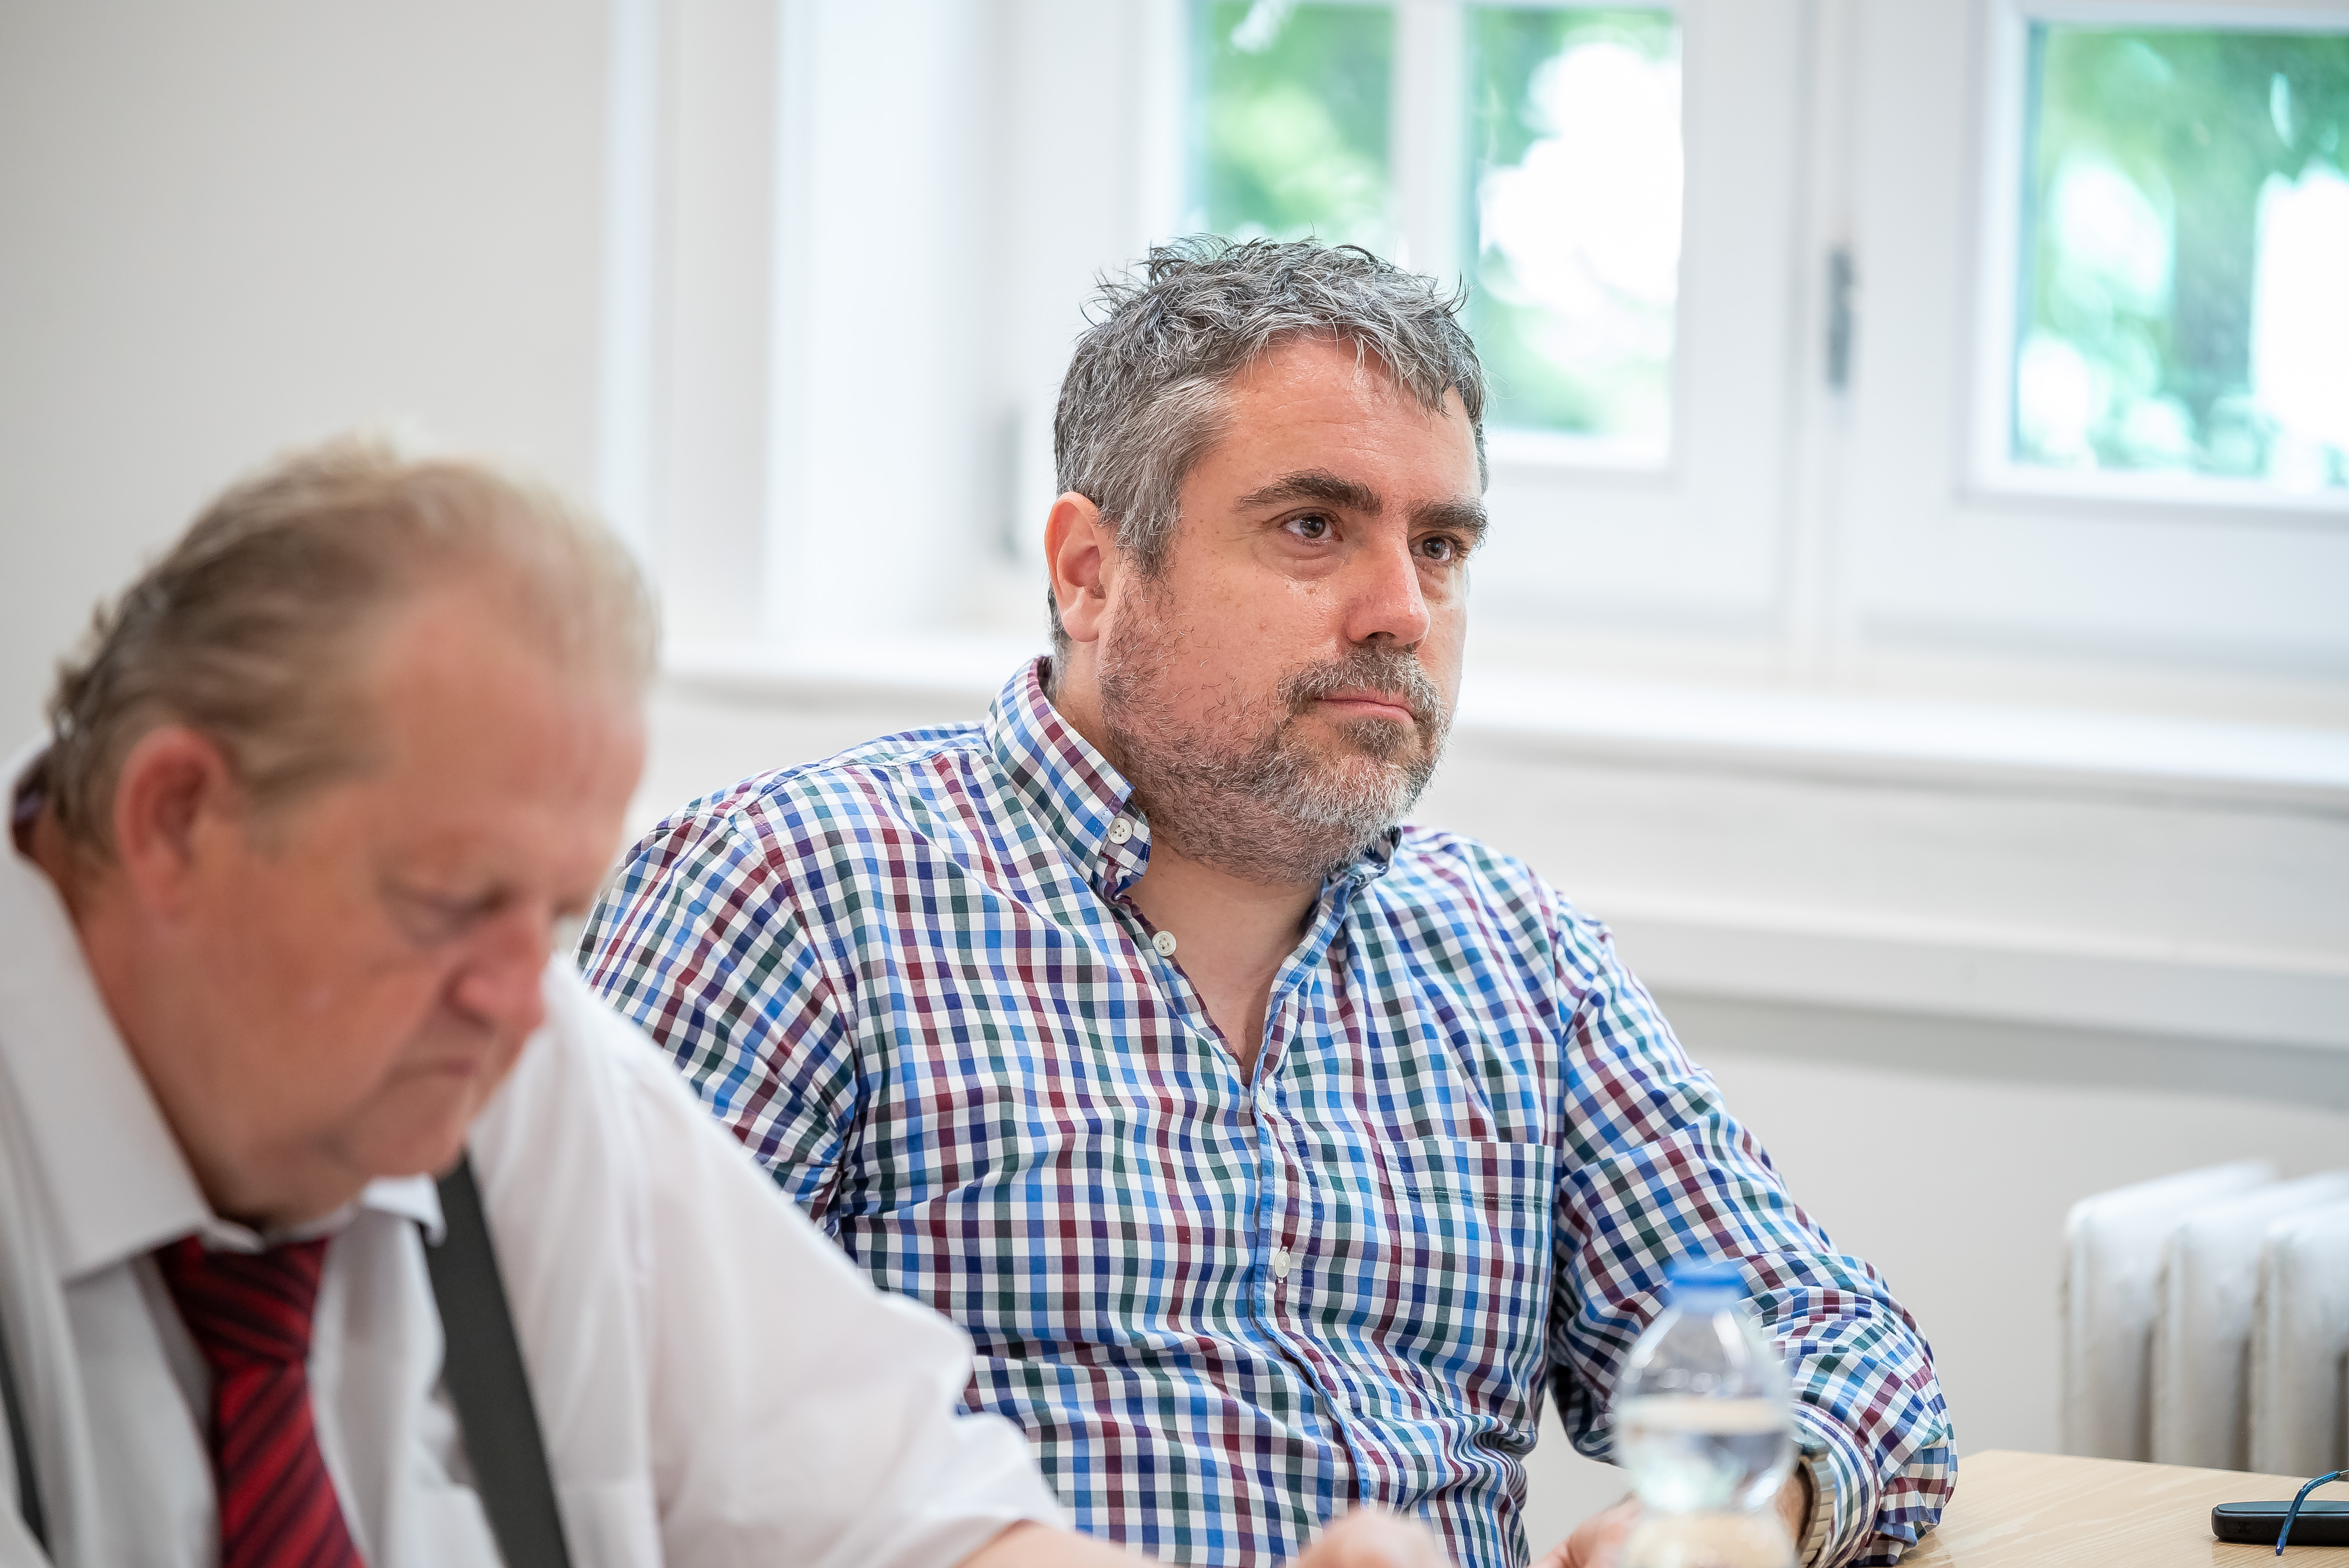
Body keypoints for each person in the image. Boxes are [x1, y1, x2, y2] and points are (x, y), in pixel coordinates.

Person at [579, 239, 1954, 1568]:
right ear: (1090, 572)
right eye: (1313, 528)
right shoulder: (789, 893)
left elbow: (1836, 1342)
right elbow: (600, 1426)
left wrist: (1734, 1519)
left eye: (1441, 546)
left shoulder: (1511, 954)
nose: (1402, 611)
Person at [0, 438, 1444, 1568]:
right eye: (446, 903)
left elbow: (896, 1516)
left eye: (558, 918)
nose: (523, 1004)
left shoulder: (519, 1073)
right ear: (177, 818)